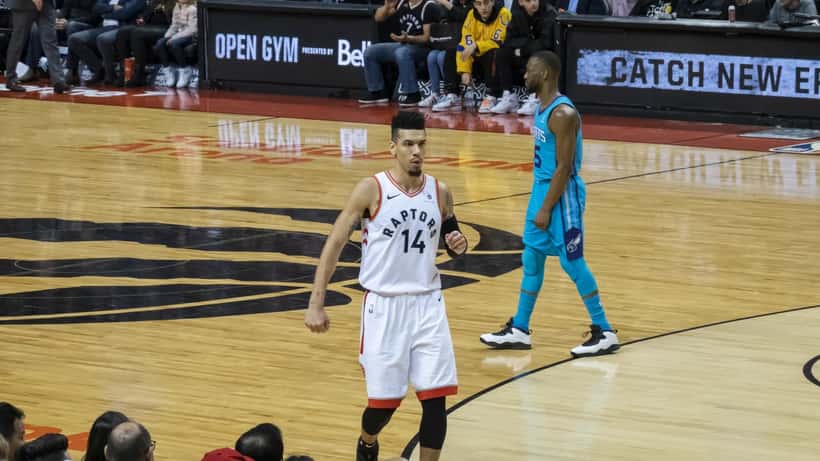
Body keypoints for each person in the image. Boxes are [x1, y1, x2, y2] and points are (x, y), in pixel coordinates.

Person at [305, 111, 468, 461]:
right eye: (408, 144)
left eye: (422, 144)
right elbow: (334, 244)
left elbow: (453, 240)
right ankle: (367, 440)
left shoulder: (440, 192)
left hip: (428, 303)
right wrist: (316, 302)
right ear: (392, 147)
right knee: (384, 406)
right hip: (384, 306)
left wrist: (459, 245)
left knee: (435, 400)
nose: (416, 152)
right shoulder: (371, 189)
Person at [479, 51, 620, 357]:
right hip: (541, 190)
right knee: (532, 257)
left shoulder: (563, 114)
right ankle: (519, 327)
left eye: (530, 70)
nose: (524, 75)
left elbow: (564, 168)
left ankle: (604, 330)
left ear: (544, 74)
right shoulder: (543, 108)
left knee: (572, 261)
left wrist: (545, 208)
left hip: (562, 195)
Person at [431, 0, 512, 112]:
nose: (483, 7)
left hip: (494, 56)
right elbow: (464, 43)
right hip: (476, 56)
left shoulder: (504, 13)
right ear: (474, 5)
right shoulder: (471, 14)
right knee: (453, 50)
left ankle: (492, 95)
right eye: (479, 4)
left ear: (492, 2)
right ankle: (453, 95)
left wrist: (476, 45)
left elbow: (498, 41)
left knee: (494, 52)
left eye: (486, 3)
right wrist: (465, 71)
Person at [358, 0, 440, 107]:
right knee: (370, 52)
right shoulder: (401, 2)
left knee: (402, 53)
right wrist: (387, 8)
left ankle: (412, 94)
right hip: (404, 45)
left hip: (424, 49)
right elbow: (378, 18)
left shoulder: (428, 6)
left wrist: (408, 38)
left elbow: (427, 38)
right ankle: (378, 92)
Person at [3, 0, 69, 93]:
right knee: (18, 41)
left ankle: (58, 81)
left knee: (50, 41)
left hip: (47, 3)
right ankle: (11, 78)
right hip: (24, 3)